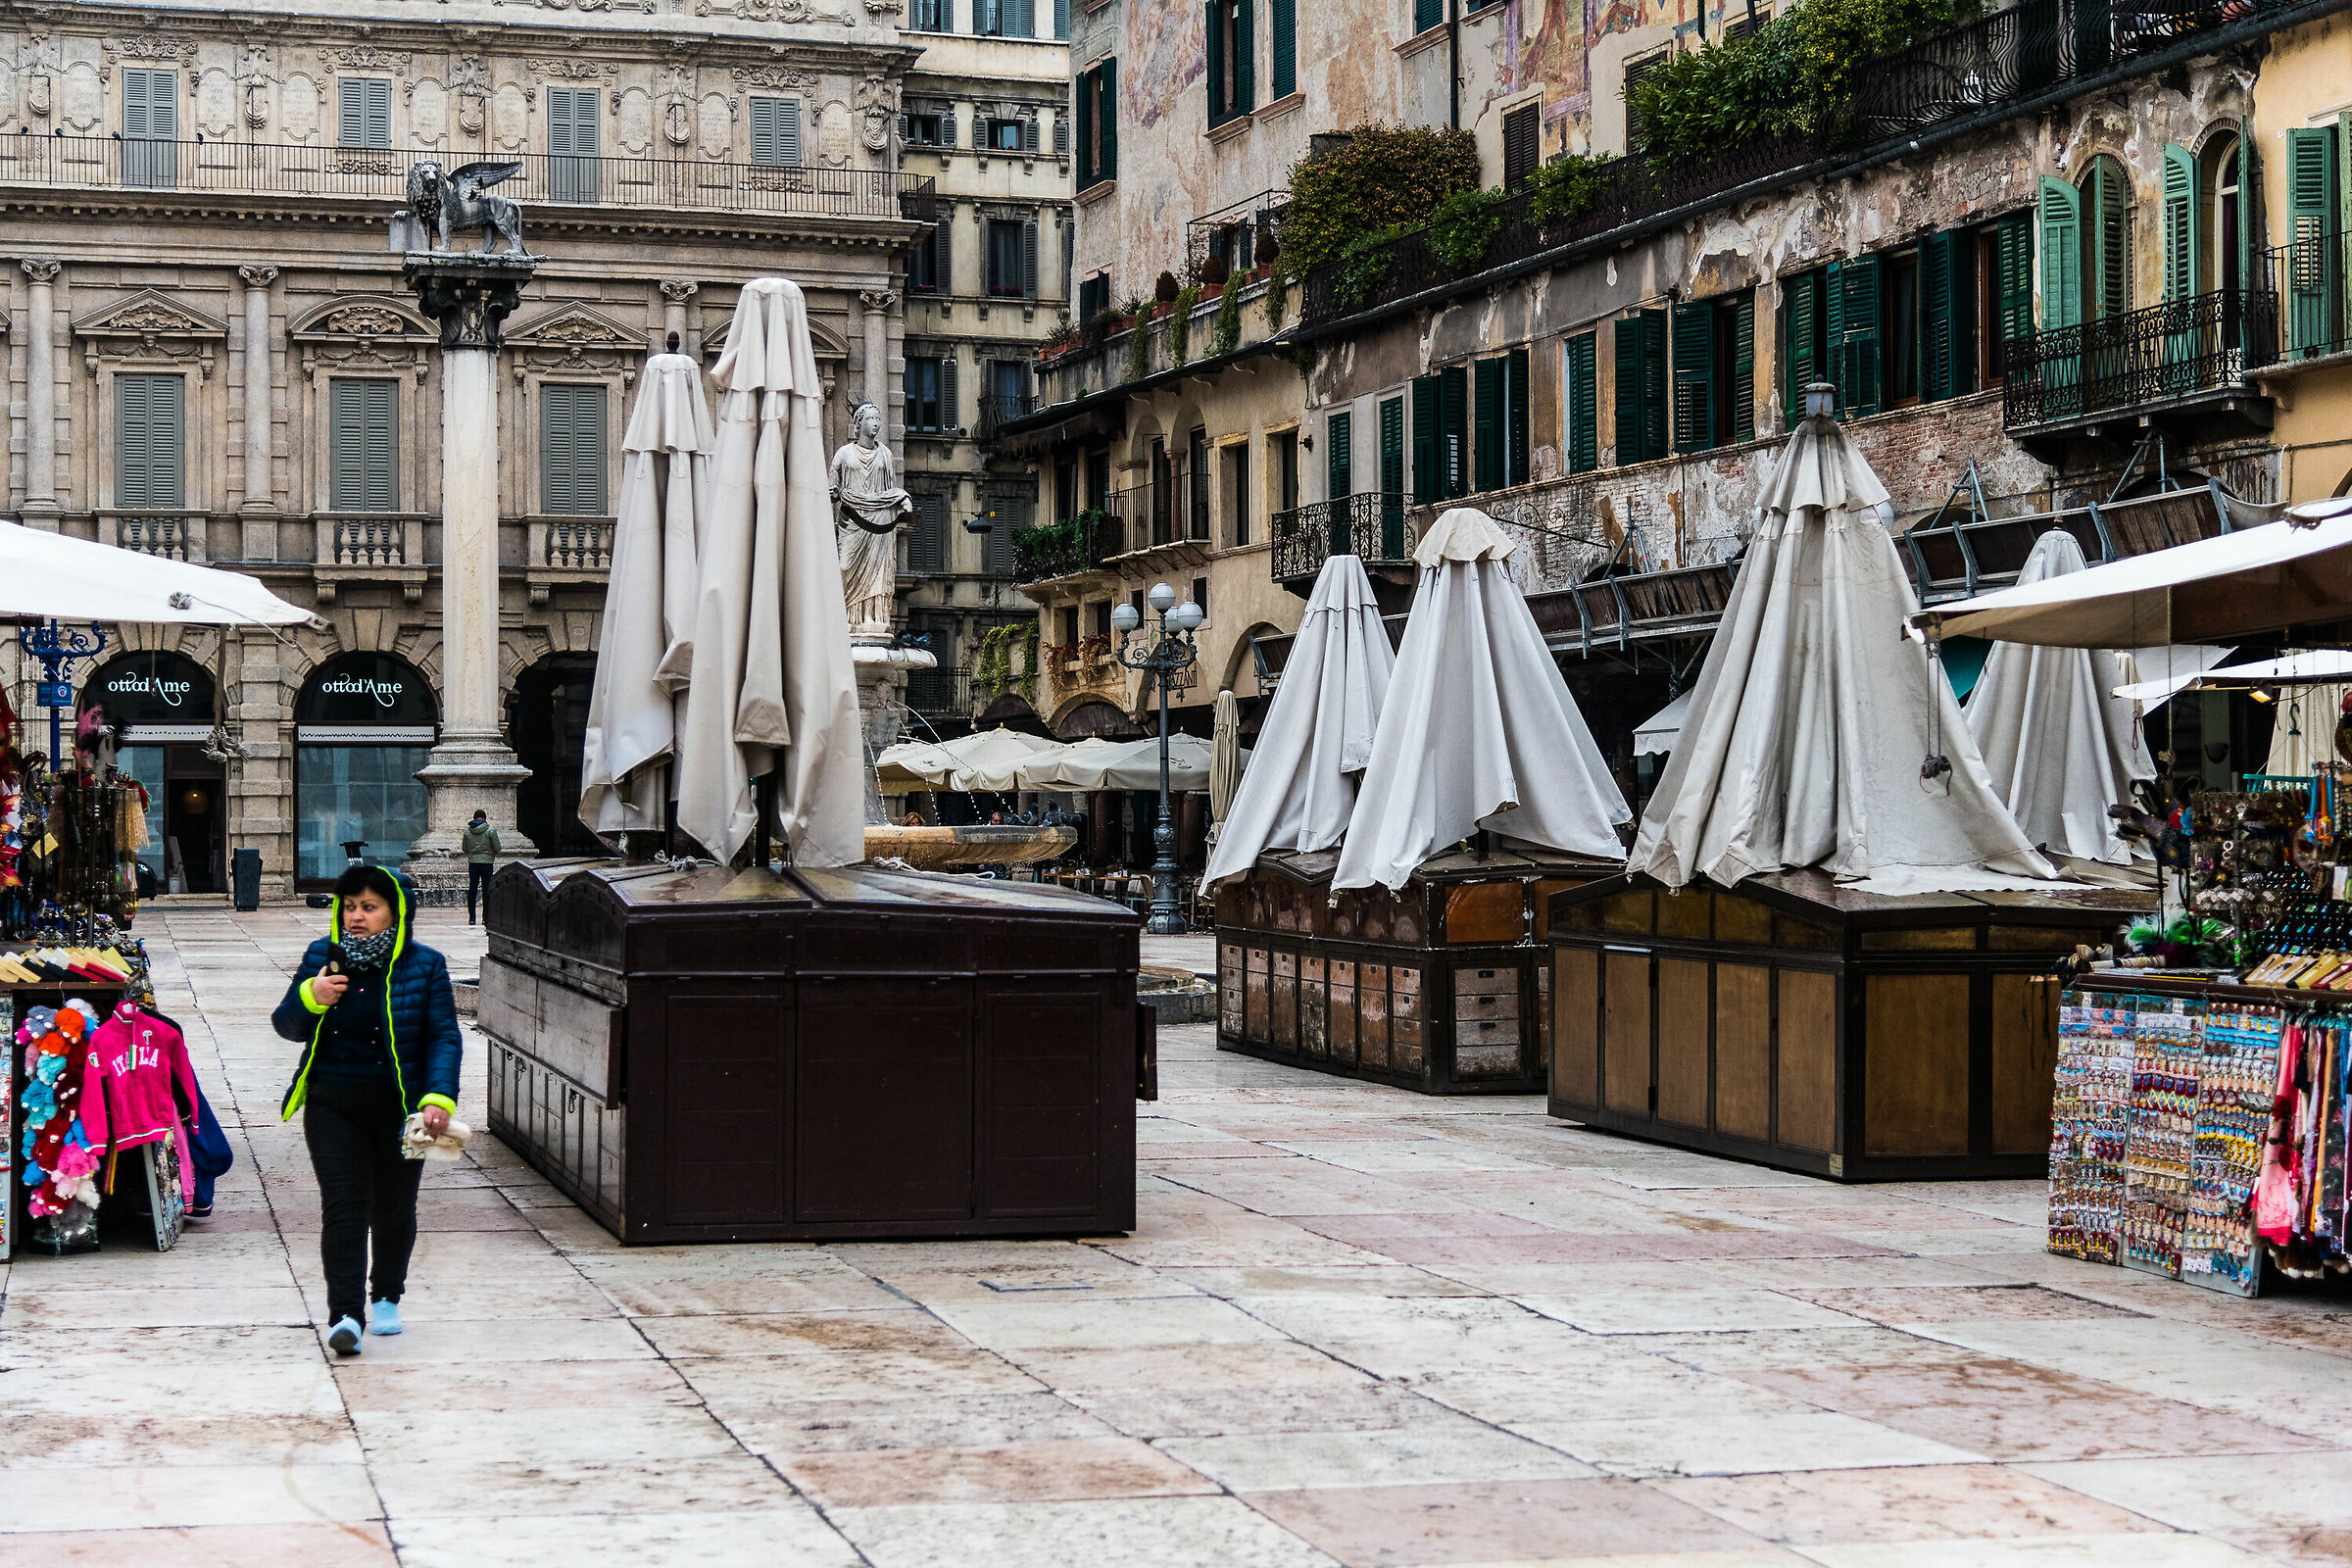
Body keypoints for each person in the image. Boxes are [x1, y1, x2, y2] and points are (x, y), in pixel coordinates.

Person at [272, 865, 461, 1359]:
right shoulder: (321, 957)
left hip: (403, 1110)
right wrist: (312, 999)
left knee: (395, 1207)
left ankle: (386, 1296)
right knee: (344, 1207)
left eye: (369, 907)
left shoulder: (426, 965)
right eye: (349, 906)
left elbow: (443, 1035)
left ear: (395, 912)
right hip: (333, 1102)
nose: (356, 916)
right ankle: (345, 1316)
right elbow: (286, 1025)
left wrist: (438, 1096)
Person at [461, 810, 500, 925]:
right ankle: (485, 918)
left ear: (474, 818)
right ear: (484, 818)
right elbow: (497, 848)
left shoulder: (468, 832)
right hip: (487, 863)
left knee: (472, 890)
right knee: (486, 890)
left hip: (473, 863)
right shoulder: (491, 831)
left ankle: (472, 918)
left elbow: (464, 849)